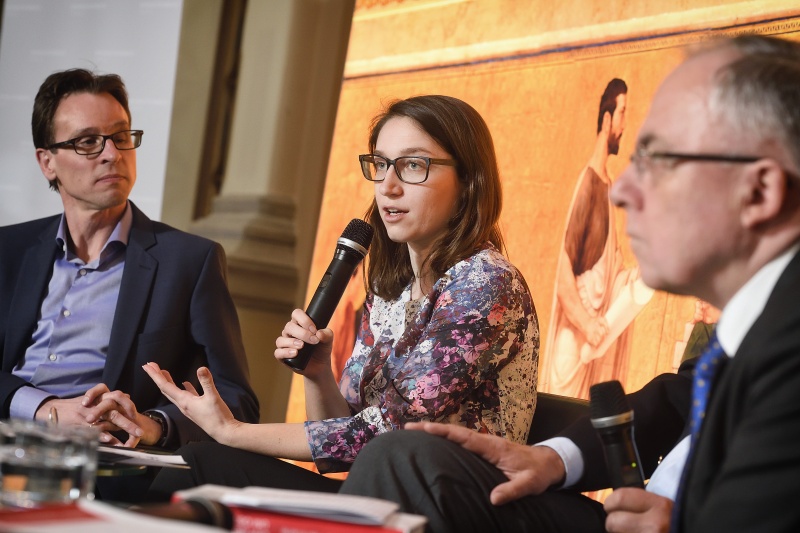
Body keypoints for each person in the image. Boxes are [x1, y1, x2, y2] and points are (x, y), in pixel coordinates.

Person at [340, 34, 800, 533]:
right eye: (381, 165)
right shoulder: (756, 330)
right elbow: (676, 398)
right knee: (406, 460)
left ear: (761, 191)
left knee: (399, 457)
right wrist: (553, 459)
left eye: (658, 159)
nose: (622, 189)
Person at [143, 94, 539, 497]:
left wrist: (232, 431)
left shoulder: (485, 284)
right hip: (379, 491)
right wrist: (317, 374)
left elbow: (383, 431)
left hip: (450, 505)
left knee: (205, 464)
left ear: (469, 181)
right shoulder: (391, 290)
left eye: (413, 165)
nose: (388, 185)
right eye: (381, 164)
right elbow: (345, 434)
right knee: (198, 464)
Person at [0, 68, 259, 453]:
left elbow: (237, 399)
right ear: (47, 162)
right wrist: (43, 408)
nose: (112, 154)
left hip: (100, 463)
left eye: (121, 137)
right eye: (89, 142)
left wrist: (153, 425)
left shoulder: (188, 261)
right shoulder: (9, 249)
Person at [543, 78, 651, 399]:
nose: (624, 124)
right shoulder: (589, 183)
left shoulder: (606, 184)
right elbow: (565, 276)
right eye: (622, 114)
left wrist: (634, 281)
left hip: (591, 342)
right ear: (606, 120)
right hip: (573, 345)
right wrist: (588, 325)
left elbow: (604, 273)